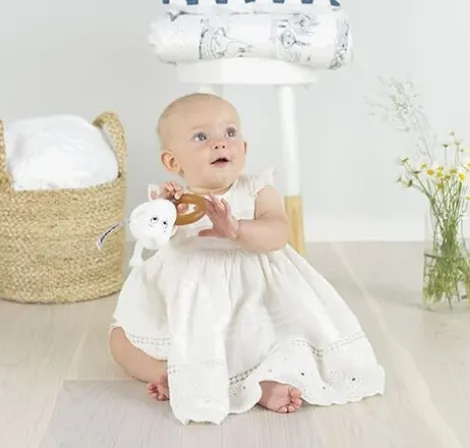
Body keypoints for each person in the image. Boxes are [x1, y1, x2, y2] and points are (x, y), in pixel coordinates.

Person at [109, 93, 385, 424]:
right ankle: (166, 372)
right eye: (201, 136)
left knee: (259, 342)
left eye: (229, 132)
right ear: (172, 162)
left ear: (244, 147)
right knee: (120, 339)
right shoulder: (175, 202)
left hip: (248, 298)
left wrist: (237, 229)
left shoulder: (257, 190)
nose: (219, 143)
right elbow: (151, 235)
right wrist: (165, 211)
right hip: (191, 303)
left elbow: (278, 233)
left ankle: (259, 383)